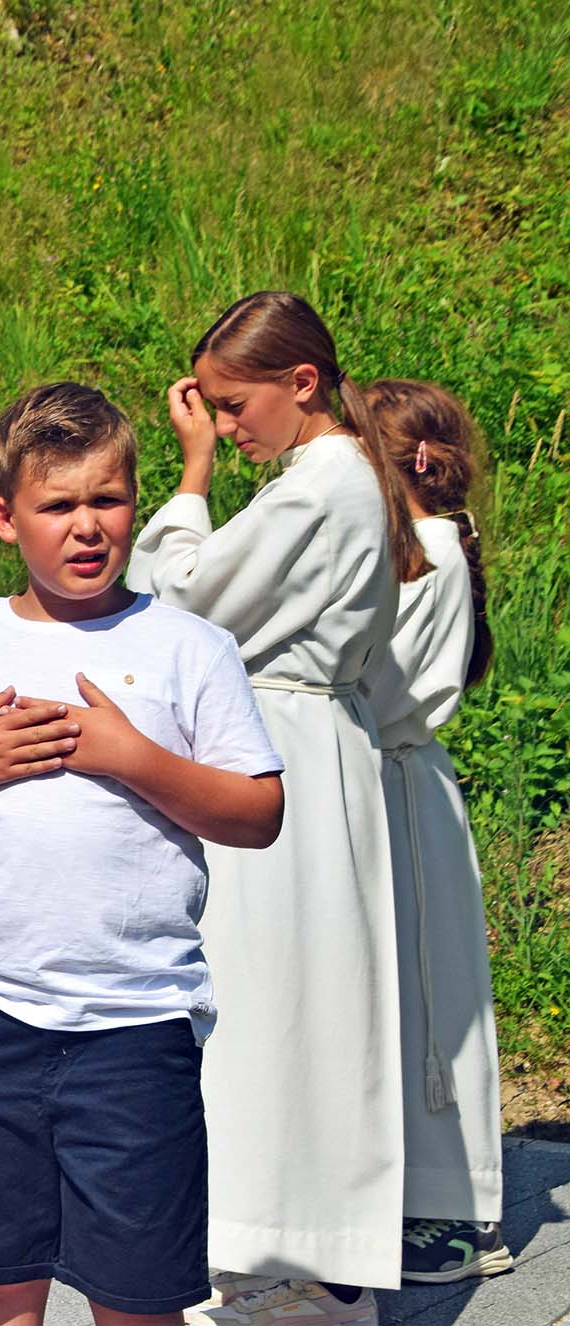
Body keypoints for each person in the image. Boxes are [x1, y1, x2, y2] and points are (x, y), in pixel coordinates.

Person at [0, 382, 285, 1326]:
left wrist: (135, 758)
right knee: (0, 1281)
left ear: (137, 500)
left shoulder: (191, 648)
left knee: (137, 1295)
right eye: (58, 506)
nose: (87, 527)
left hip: (136, 1027)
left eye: (107, 500)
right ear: (6, 518)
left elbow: (257, 812)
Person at [129, 292, 428, 1325]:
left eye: (229, 403)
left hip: (281, 744)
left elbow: (181, 596)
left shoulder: (316, 486)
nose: (219, 423)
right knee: (296, 1000)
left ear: (300, 383)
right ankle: (296, 1250)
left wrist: (188, 480)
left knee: (278, 1003)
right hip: (305, 739)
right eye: (207, 409)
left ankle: (297, 1258)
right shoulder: (332, 475)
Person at [363, 380, 511, 1283]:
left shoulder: (432, 557)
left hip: (399, 786)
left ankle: (454, 1211)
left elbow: (389, 691)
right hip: (385, 782)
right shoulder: (414, 550)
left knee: (431, 997)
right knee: (401, 989)